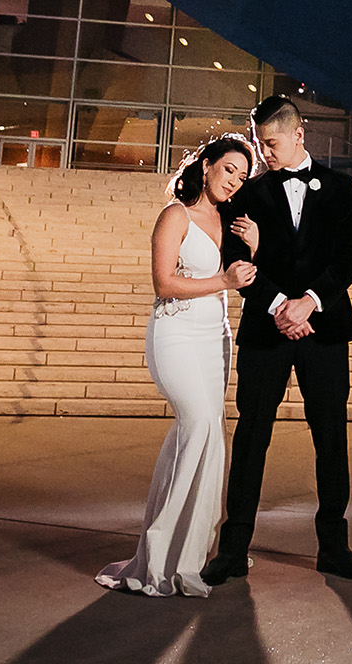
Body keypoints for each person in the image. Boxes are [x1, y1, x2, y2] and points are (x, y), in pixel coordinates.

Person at [203, 95, 352, 584]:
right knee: (252, 434)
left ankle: (335, 548)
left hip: (324, 329)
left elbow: (349, 257)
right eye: (260, 144)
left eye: (271, 142)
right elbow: (237, 262)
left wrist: (309, 303)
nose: (264, 153)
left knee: (330, 437)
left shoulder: (342, 188)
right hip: (267, 328)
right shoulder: (248, 193)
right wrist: (282, 304)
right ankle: (232, 550)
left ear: (299, 134)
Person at [95, 135, 261, 597]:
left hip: (215, 337)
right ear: (206, 166)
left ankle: (187, 554)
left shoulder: (231, 222)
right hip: (176, 334)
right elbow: (164, 283)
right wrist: (222, 279)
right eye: (229, 170)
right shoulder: (175, 214)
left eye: (242, 176)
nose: (234, 181)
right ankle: (162, 553)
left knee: (208, 439)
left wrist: (255, 248)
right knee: (200, 423)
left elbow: (241, 282)